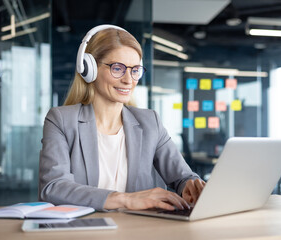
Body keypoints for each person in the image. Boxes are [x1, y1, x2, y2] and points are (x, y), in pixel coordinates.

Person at [39, 25, 205, 211]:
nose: (128, 80)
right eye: (117, 68)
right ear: (89, 68)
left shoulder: (150, 122)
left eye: (135, 70)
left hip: (138, 230)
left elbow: (182, 177)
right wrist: (125, 199)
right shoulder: (61, 120)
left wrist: (192, 185)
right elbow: (53, 187)